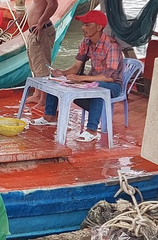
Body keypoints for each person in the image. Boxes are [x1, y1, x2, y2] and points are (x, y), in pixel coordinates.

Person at [31, 10, 123, 143]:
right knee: (56, 81)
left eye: (87, 24)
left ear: (98, 27)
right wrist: (62, 73)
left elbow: (110, 77)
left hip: (112, 85)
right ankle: (49, 116)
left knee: (96, 89)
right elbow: (75, 67)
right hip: (92, 80)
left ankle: (91, 130)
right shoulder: (85, 42)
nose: (82, 28)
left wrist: (81, 79)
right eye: (83, 24)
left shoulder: (111, 46)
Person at [23, 0, 58, 110]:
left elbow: (53, 4)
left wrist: (41, 22)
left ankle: (43, 99)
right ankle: (37, 93)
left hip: (42, 30)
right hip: (35, 31)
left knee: (43, 66)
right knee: (35, 63)